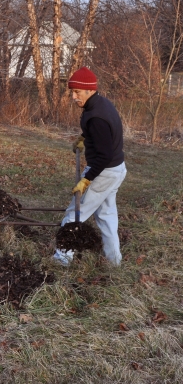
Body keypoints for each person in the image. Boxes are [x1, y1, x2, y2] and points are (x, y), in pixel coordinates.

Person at [54, 66, 127, 266]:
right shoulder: (100, 105)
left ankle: (62, 259)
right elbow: (101, 137)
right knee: (106, 216)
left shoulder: (96, 117)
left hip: (104, 172)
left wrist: (87, 179)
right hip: (116, 170)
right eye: (72, 92)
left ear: (90, 90)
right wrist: (84, 138)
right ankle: (114, 261)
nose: (73, 97)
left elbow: (104, 155)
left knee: (74, 214)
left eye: (77, 92)